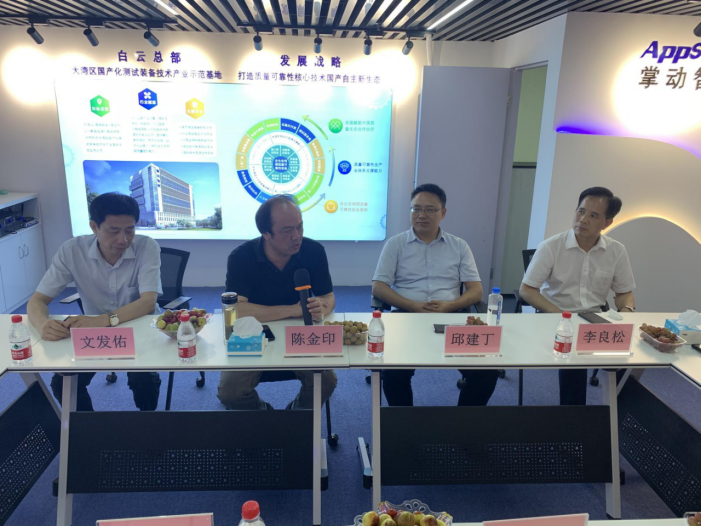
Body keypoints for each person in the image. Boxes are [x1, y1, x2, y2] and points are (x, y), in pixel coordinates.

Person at [28, 193, 162, 412]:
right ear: (94, 227)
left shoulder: (147, 247)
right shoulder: (72, 250)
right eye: (114, 231)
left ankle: (146, 424)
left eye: (130, 230)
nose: (123, 240)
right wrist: (43, 324)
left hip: (139, 325)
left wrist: (103, 320)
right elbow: (37, 301)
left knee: (144, 381)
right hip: (93, 333)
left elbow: (148, 302)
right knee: (63, 384)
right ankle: (88, 426)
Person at [372, 184, 498, 407]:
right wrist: (413, 306)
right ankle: (405, 422)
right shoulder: (395, 244)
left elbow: (476, 290)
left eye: (430, 209)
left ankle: (465, 422)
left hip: (452, 317)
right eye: (416, 209)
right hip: (406, 318)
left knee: (486, 372)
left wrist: (450, 306)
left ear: (443, 213)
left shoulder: (459, 246)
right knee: (393, 374)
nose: (422, 215)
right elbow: (379, 288)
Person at [217, 195, 338, 410]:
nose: (297, 236)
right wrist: (291, 310)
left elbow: (328, 297)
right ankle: (264, 414)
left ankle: (297, 413)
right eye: (287, 230)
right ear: (266, 234)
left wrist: (323, 306)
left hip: (300, 334)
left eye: (300, 227)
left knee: (326, 381)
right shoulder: (241, 257)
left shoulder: (314, 251)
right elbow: (238, 310)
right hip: (253, 334)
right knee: (230, 391)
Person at [520, 187, 636, 405]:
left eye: (593, 215)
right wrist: (562, 315)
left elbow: (624, 292)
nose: (583, 219)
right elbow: (527, 289)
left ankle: (617, 416)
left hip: (595, 318)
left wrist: (626, 312)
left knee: (630, 360)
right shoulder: (551, 247)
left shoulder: (616, 251)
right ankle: (573, 418)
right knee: (574, 361)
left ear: (607, 222)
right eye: (580, 211)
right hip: (556, 317)